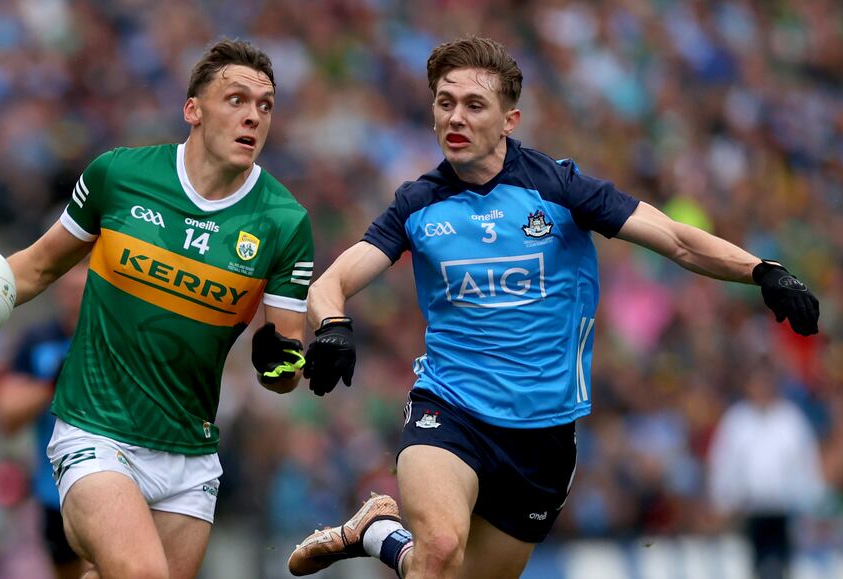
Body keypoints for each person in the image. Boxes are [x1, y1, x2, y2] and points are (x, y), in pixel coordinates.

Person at [287, 36, 819, 579]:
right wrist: (332, 325)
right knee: (441, 550)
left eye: (474, 105)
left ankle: (377, 531)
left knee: (446, 571)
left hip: (543, 438)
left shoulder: (559, 188)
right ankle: (393, 532)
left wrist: (764, 271)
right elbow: (333, 281)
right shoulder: (417, 203)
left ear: (510, 119)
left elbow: (676, 240)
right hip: (449, 409)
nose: (456, 117)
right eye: (445, 102)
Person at [0, 39, 315, 579]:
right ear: (192, 110)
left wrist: (283, 363)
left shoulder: (284, 223)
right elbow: (35, 267)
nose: (253, 116)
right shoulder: (119, 177)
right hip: (95, 430)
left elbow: (284, 366)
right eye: (236, 99)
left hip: (189, 453)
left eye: (265, 105)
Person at [0, 263, 89, 579]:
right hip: (55, 494)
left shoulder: (123, 341)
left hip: (123, 482)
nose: (74, 292)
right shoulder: (38, 341)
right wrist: (51, 386)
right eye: (68, 284)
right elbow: (6, 415)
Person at [707, 358, 826, 579]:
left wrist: (812, 506)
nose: (762, 387)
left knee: (783, 569)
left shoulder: (791, 420)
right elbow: (722, 467)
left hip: (784, 514)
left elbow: (807, 467)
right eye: (757, 382)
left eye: (766, 382)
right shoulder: (736, 421)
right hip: (747, 516)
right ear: (748, 385)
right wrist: (723, 503)